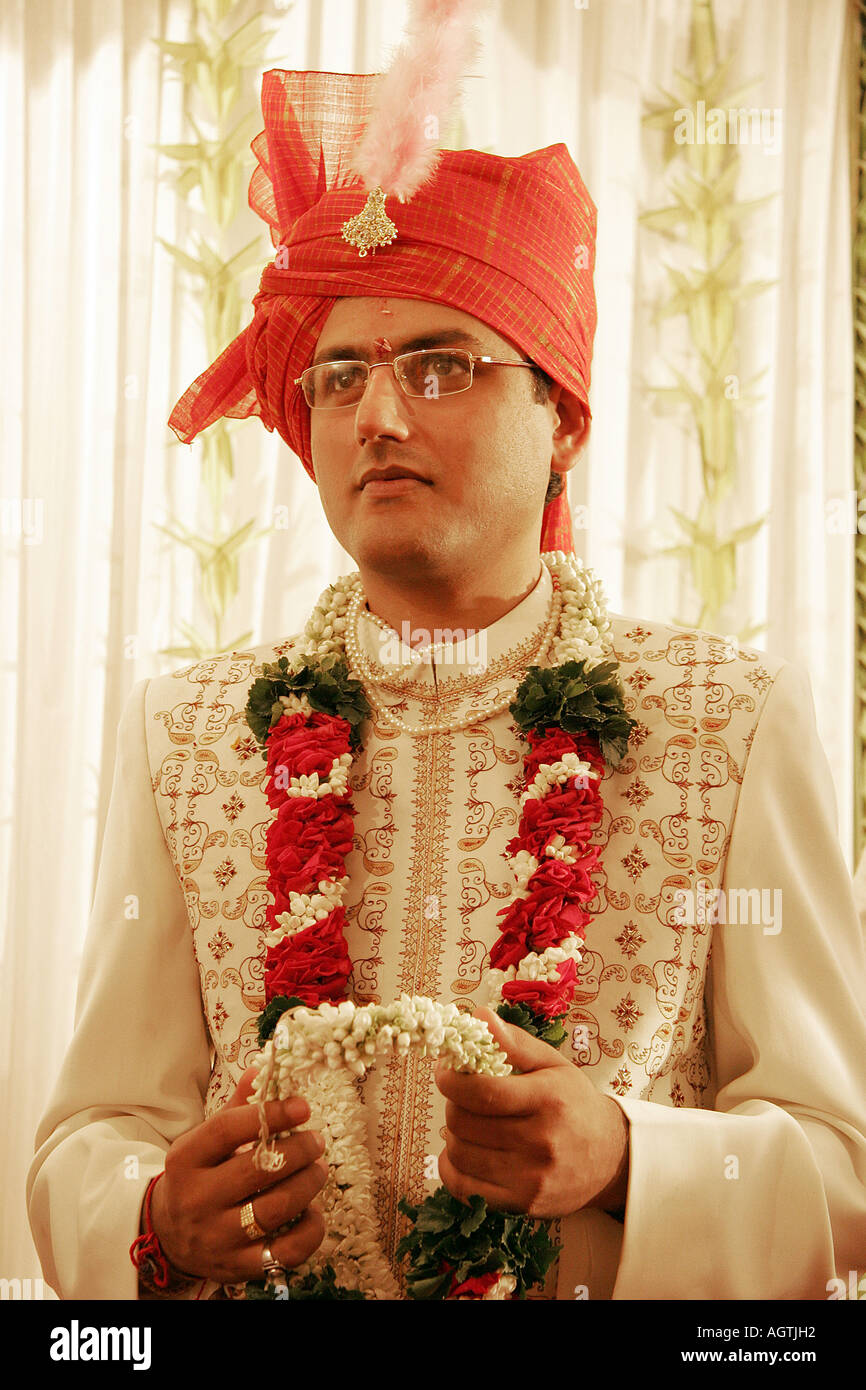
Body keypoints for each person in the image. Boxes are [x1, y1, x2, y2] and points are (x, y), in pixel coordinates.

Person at [27, 65, 866, 1301]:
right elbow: (89, 1130)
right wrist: (152, 1215)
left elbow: (840, 1161)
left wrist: (629, 1154)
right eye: (339, 374)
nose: (374, 414)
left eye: (437, 365)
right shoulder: (189, 731)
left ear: (562, 417)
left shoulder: (720, 719)